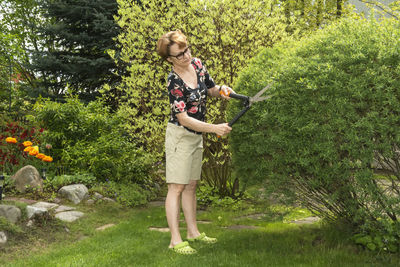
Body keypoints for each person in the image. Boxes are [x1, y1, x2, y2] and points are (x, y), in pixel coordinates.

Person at [157, 30, 233, 255]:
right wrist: (214, 128)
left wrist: (223, 90)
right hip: (180, 136)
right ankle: (175, 240)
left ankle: (193, 233)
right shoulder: (174, 81)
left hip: (196, 136)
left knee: (190, 186)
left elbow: (210, 89)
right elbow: (183, 118)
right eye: (180, 54)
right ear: (169, 59)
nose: (186, 56)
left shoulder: (198, 65)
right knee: (176, 187)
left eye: (187, 50)